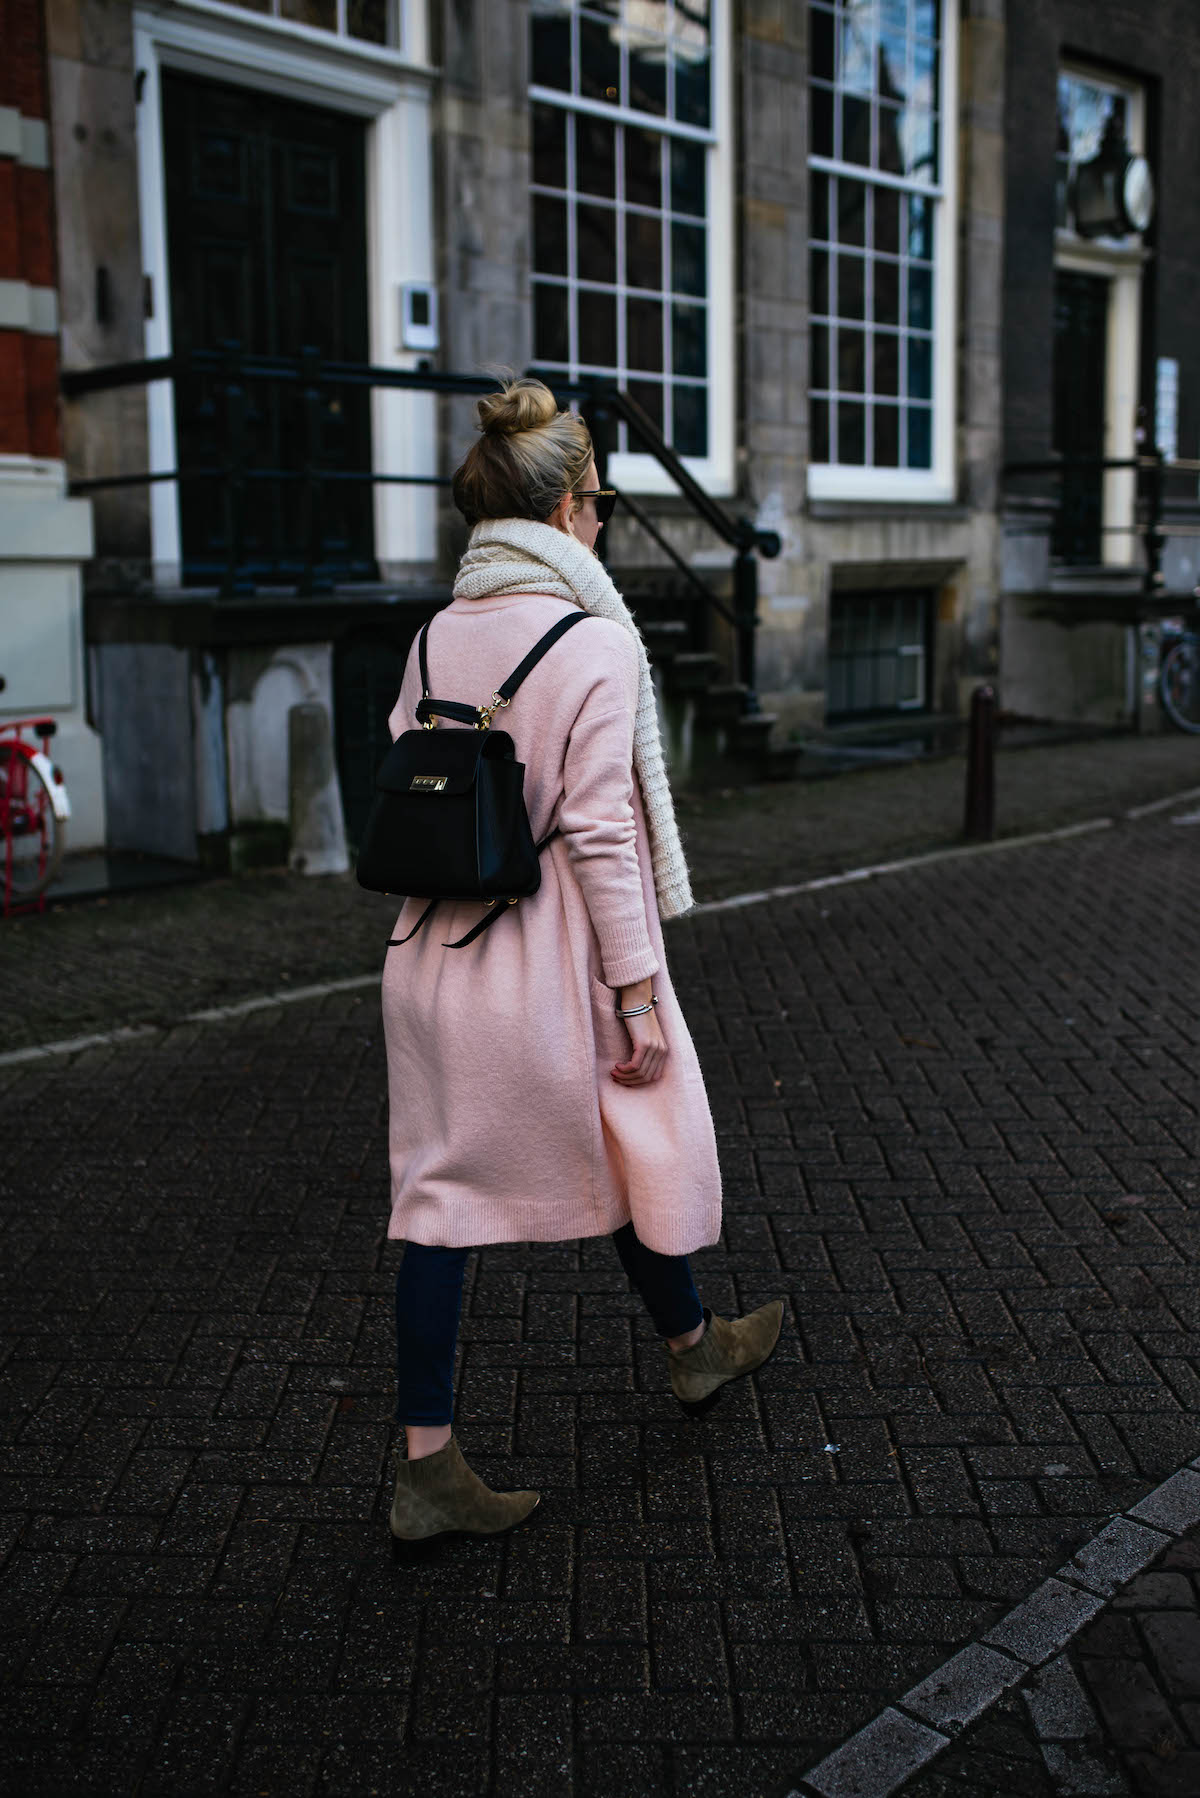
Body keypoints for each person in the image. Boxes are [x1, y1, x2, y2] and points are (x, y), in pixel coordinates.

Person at [382, 376, 783, 1550]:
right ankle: (434, 1471)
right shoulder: (594, 640)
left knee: (467, 1187)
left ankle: (689, 1347)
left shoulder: (433, 630)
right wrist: (636, 988)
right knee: (594, 1133)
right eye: (599, 501)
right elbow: (603, 832)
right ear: (562, 510)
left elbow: (410, 778)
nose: (604, 522)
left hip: (426, 956)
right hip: (542, 958)